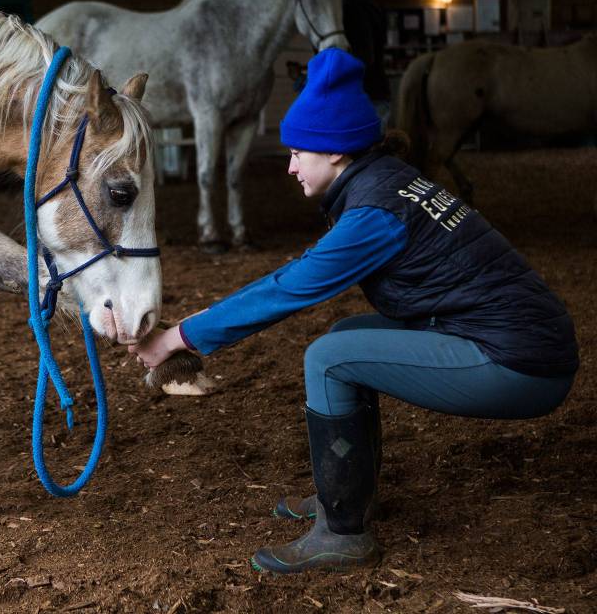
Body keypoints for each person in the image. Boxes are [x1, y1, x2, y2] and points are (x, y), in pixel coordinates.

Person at [129, 47, 578, 574]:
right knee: (347, 334)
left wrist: (177, 338)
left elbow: (290, 287)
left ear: (336, 153)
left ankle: (343, 534)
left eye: (299, 152)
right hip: (510, 336)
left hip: (521, 364)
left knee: (330, 357)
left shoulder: (374, 213)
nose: (291, 166)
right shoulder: (387, 179)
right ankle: (349, 496)